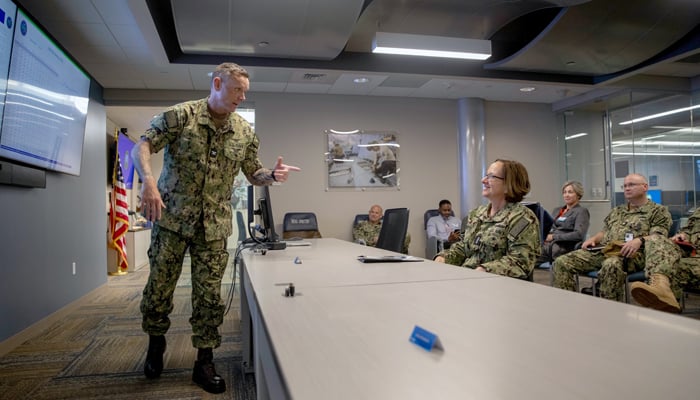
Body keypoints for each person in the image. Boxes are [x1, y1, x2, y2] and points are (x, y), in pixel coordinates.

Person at [131, 62, 300, 394]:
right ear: (218, 83)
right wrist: (148, 183)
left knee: (209, 296)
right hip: (173, 220)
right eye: (237, 90)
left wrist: (273, 176)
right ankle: (155, 344)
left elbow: (253, 173)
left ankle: (204, 361)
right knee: (158, 290)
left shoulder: (244, 131)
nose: (241, 97)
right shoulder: (181, 116)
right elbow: (143, 145)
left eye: (245, 92)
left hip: (213, 227)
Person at [552, 174, 671, 302]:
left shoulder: (658, 211)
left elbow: (658, 237)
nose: (627, 188)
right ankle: (567, 304)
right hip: (605, 250)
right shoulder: (618, 211)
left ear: (645, 187)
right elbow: (605, 231)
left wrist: (639, 240)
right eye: (624, 186)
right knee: (561, 262)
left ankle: (610, 309)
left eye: (631, 185)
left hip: (632, 255)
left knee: (611, 265)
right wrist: (594, 239)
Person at [434, 159, 540, 279]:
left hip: (496, 286)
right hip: (467, 278)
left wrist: (484, 270)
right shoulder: (477, 213)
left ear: (508, 184)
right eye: (486, 175)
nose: (483, 180)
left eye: (491, 176)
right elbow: (464, 247)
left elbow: (520, 262)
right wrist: (443, 257)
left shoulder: (522, 218)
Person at [629, 209, 700, 313]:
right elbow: (688, 230)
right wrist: (683, 235)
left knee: (671, 269)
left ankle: (665, 305)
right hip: (692, 256)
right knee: (656, 240)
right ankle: (661, 286)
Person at [539, 181, 590, 263]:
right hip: (548, 245)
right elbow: (549, 227)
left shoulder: (581, 211)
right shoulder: (557, 210)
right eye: (564, 192)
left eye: (570, 192)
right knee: (526, 251)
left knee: (530, 255)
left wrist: (554, 237)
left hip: (563, 247)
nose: (566, 195)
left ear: (578, 195)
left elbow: (579, 234)